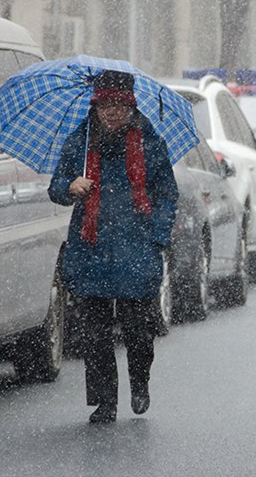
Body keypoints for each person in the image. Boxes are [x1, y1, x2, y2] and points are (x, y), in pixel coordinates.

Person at [48, 70, 178, 423]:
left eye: (119, 105)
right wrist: (70, 185)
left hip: (136, 247)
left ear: (131, 106)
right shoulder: (81, 140)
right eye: (105, 104)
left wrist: (157, 236)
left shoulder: (150, 143)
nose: (111, 112)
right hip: (92, 248)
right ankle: (105, 402)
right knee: (96, 334)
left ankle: (140, 382)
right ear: (96, 106)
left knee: (138, 330)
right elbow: (56, 186)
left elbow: (167, 194)